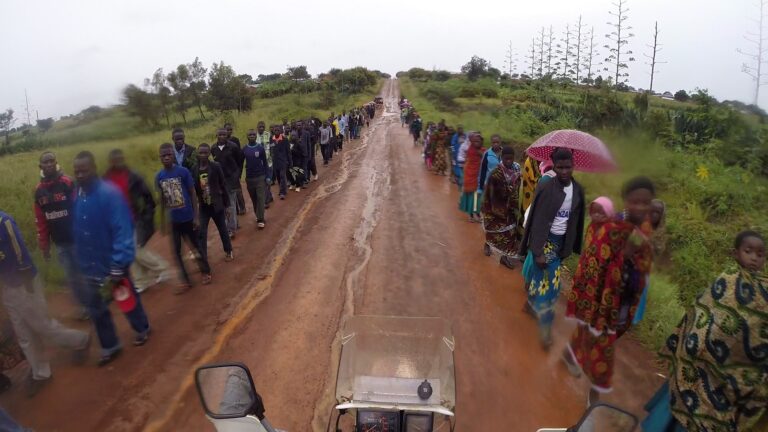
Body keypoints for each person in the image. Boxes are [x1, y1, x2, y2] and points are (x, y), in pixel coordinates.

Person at [642, 230, 766, 432]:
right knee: (667, 418)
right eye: (748, 251)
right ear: (735, 253)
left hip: (727, 380)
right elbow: (702, 314)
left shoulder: (764, 295)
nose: (754, 258)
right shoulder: (727, 280)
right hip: (696, 367)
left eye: (760, 254)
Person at [562, 177, 655, 405]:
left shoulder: (645, 231)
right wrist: (624, 255)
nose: (641, 207)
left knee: (590, 334)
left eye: (646, 203)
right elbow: (594, 259)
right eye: (636, 202)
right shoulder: (611, 228)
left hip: (624, 299)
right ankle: (595, 395)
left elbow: (644, 266)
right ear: (626, 201)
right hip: (601, 298)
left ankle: (568, 353)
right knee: (604, 347)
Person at [71, 151, 150, 366]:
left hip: (112, 262)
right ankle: (110, 345)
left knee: (125, 299)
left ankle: (142, 327)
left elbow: (122, 230)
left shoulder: (110, 194)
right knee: (96, 308)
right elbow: (78, 229)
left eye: (84, 170)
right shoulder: (78, 194)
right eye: (76, 171)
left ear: (94, 168)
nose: (79, 174)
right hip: (89, 264)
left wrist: (118, 263)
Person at [0, 210, 90, 396]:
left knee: (42, 326)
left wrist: (26, 280)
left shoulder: (4, 221)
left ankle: (80, 340)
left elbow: (20, 250)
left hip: (24, 284)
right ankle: (41, 373)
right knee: (23, 333)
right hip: (7, 287)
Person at [520, 148, 585, 348]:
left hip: (560, 244)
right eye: (560, 167)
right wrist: (537, 251)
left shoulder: (578, 190)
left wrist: (569, 248)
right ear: (553, 167)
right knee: (552, 287)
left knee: (542, 281)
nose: (565, 171)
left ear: (573, 166)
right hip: (545, 242)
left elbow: (577, 221)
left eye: (568, 167)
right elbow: (537, 220)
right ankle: (546, 331)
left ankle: (530, 303)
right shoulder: (546, 187)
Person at [103, 149, 170, 293]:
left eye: (120, 158)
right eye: (115, 159)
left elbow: (148, 196)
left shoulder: (133, 176)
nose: (118, 161)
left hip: (134, 218)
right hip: (116, 222)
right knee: (129, 252)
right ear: (111, 161)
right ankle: (141, 281)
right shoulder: (106, 178)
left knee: (136, 250)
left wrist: (147, 214)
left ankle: (161, 267)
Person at [34, 151, 87, 319]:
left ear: (56, 162)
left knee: (84, 272)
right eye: (45, 162)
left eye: (51, 161)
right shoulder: (39, 192)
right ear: (40, 166)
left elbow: (81, 209)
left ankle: (94, 303)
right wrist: (44, 246)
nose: (49, 164)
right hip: (60, 244)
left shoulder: (68, 182)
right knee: (71, 277)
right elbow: (41, 221)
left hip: (77, 238)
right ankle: (82, 307)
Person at [156, 143, 212, 293]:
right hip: (174, 221)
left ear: (173, 155)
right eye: (163, 155)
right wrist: (162, 220)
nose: (167, 157)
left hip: (188, 218)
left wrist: (195, 216)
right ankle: (186, 281)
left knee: (195, 247)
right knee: (176, 252)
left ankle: (205, 271)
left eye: (169, 154)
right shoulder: (159, 176)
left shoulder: (183, 172)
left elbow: (193, 193)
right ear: (160, 158)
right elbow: (162, 199)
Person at [481, 146, 523, 269]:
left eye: (511, 159)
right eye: (506, 159)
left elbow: (517, 188)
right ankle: (487, 243)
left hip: (510, 209)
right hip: (495, 208)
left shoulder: (516, 170)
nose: (509, 161)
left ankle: (504, 258)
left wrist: (513, 201)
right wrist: (506, 194)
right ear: (501, 158)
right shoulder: (495, 174)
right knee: (493, 230)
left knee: (510, 234)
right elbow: (490, 193)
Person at [192, 144, 233, 263]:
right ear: (198, 154)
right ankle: (203, 257)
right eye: (201, 153)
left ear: (209, 154)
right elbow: (193, 188)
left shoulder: (215, 166)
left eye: (205, 153)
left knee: (222, 229)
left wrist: (228, 205)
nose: (203, 155)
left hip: (217, 205)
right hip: (204, 207)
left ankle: (228, 250)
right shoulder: (194, 169)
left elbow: (223, 185)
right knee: (201, 232)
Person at [211, 128, 243, 239]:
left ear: (227, 135)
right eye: (220, 134)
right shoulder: (213, 148)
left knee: (231, 204)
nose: (222, 136)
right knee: (224, 205)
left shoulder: (233, 147)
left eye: (224, 134)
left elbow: (240, 161)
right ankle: (234, 224)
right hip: (220, 181)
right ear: (216, 135)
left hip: (232, 180)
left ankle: (231, 229)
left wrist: (237, 175)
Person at [243, 130, 269, 229]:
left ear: (256, 136)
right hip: (249, 179)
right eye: (250, 134)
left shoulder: (260, 148)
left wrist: (268, 176)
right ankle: (258, 216)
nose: (252, 136)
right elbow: (241, 164)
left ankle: (261, 219)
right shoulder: (244, 149)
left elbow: (265, 163)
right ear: (247, 136)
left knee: (261, 198)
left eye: (254, 134)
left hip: (260, 177)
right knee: (254, 200)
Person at [459, 133, 485, 223]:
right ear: (472, 142)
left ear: (482, 142)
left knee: (477, 198)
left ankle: (477, 214)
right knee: (472, 197)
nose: (477, 143)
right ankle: (472, 215)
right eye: (475, 141)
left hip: (478, 177)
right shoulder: (471, 150)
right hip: (470, 176)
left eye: (479, 141)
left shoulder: (482, 150)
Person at [253, 122, 273, 207]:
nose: (261, 128)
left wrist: (272, 157)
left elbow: (272, 147)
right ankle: (269, 196)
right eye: (260, 127)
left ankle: (266, 201)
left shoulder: (269, 135)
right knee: (262, 182)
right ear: (257, 127)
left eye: (263, 127)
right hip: (259, 163)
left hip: (268, 162)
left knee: (268, 181)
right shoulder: (253, 136)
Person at [271, 126, 292, 199]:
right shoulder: (271, 139)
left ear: (280, 131)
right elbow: (270, 150)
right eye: (275, 130)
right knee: (278, 177)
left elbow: (288, 152)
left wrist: (290, 162)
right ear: (273, 131)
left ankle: (282, 192)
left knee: (282, 176)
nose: (276, 131)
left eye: (278, 130)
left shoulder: (285, 139)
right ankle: (282, 189)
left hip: (283, 161)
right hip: (275, 162)